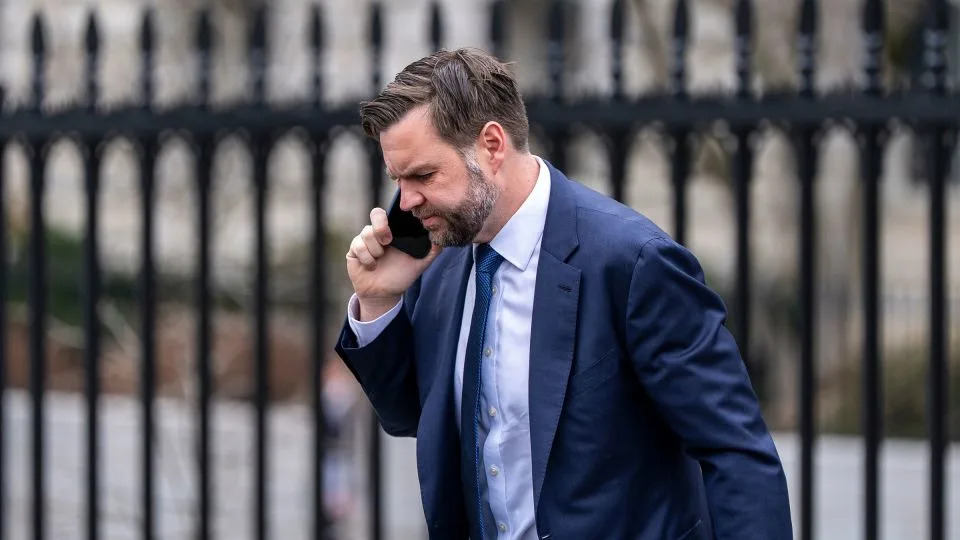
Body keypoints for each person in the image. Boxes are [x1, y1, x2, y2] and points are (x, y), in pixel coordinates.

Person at [335, 48, 792, 540]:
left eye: (423, 175)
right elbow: (411, 418)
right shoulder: (438, 262)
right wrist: (381, 301)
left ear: (492, 145)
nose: (406, 202)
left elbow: (735, 451)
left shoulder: (634, 262)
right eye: (398, 180)